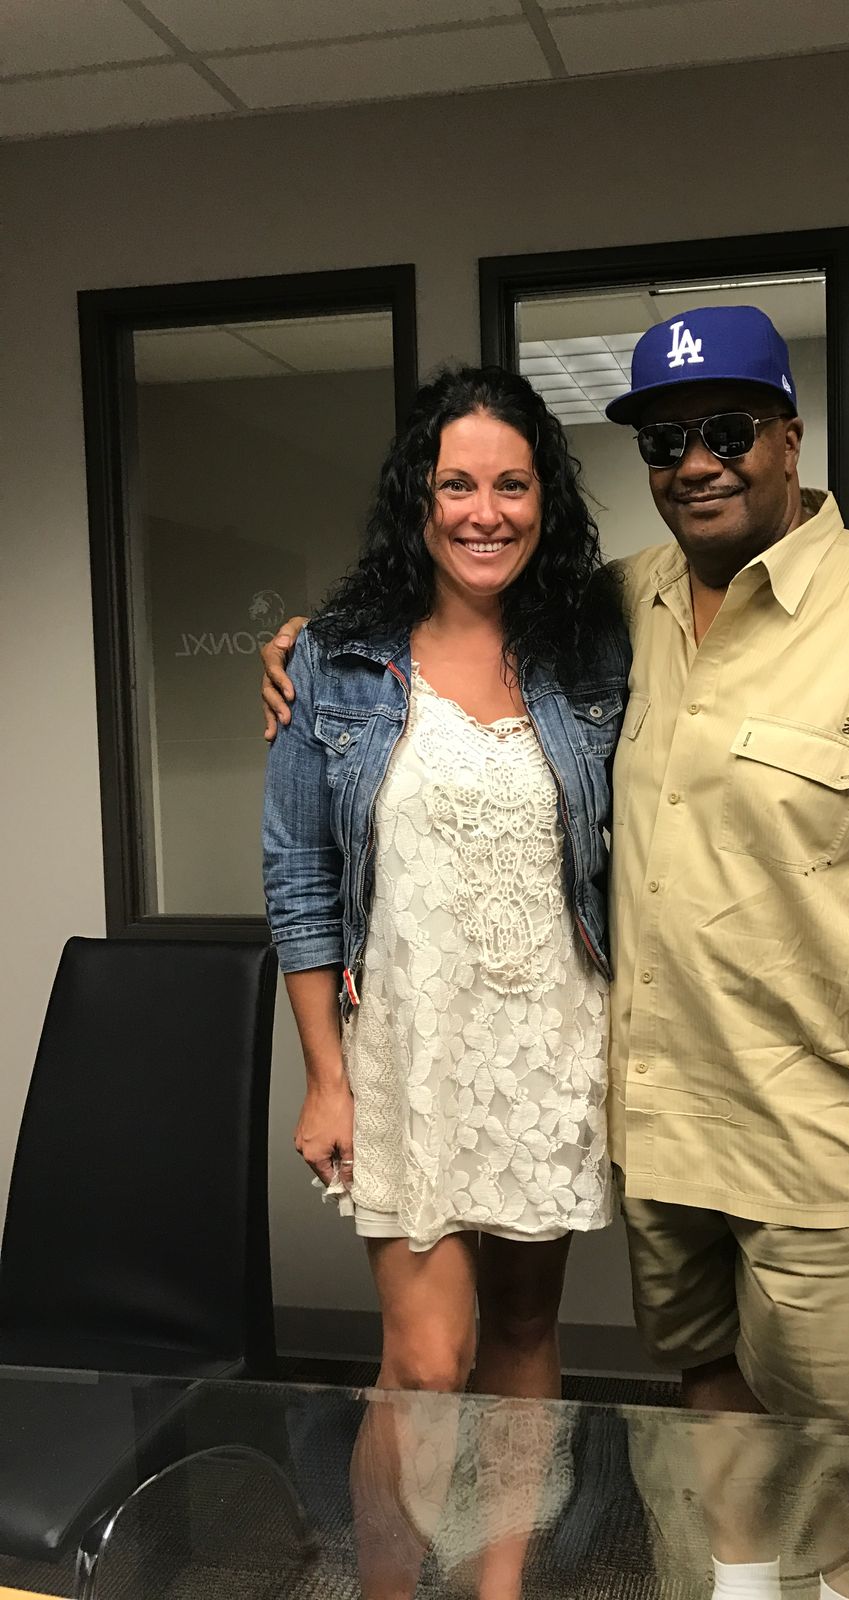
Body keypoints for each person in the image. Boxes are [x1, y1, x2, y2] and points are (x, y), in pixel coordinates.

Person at [262, 311, 849, 1594]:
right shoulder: (619, 610)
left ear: (789, 436)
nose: (697, 460)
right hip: (669, 1124)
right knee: (700, 1395)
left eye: (728, 428)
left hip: (832, 1140)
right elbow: (443, 628)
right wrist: (310, 649)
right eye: (666, 439)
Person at [262, 363, 628, 1404]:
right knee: (426, 1366)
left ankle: (508, 1530)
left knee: (524, 1330)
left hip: (550, 1047)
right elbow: (299, 877)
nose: (485, 513)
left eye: (512, 485)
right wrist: (325, 1078)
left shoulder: (595, 647)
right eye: (456, 484)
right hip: (408, 1050)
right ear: (416, 498)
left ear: (545, 501)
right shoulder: (335, 660)